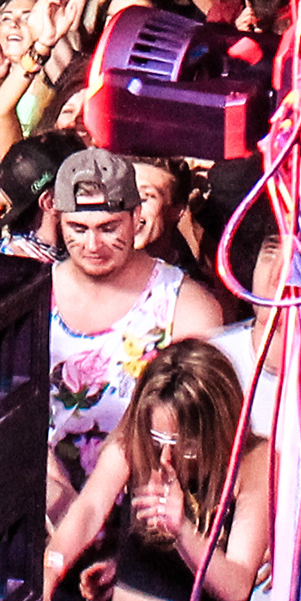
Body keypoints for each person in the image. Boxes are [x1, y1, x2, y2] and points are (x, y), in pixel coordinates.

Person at [42, 339, 270, 601]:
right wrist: (50, 569)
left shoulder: (253, 462)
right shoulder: (135, 439)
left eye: (182, 444)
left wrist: (183, 531)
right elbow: (90, 507)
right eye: (158, 439)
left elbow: (236, 588)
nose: (166, 456)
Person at [46, 148, 230, 499]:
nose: (92, 244)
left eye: (108, 228)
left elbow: (197, 436)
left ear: (135, 216)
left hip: (146, 511)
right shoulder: (31, 296)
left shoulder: (187, 307)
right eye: (78, 228)